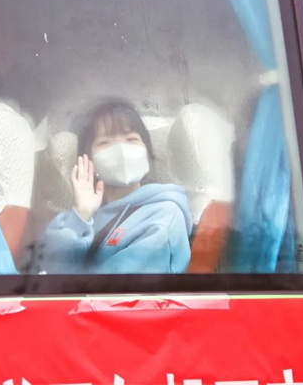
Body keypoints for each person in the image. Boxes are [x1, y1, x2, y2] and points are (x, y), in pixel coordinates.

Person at [40, 100, 192, 274]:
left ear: (146, 152)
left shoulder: (165, 213)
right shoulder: (84, 215)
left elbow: (118, 287)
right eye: (105, 143)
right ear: (89, 160)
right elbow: (50, 272)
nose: (121, 149)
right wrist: (80, 214)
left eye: (131, 139)